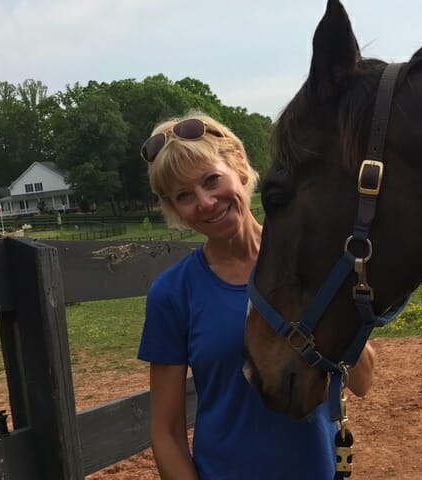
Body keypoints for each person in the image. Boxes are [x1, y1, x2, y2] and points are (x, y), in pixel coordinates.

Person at [137, 113, 376, 480]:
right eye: (184, 196)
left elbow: (361, 383)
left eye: (211, 180)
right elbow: (166, 433)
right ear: (176, 211)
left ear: (241, 168)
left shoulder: (310, 259)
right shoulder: (173, 294)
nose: (204, 202)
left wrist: (333, 294)